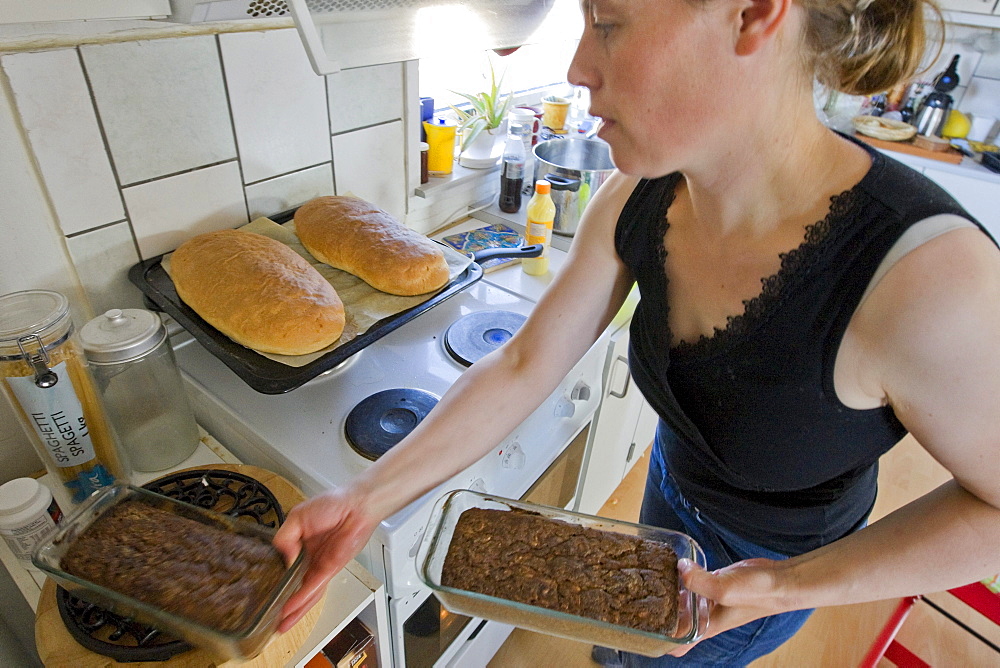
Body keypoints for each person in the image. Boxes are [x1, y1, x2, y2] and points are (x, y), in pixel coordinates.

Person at [273, 0, 1000, 665]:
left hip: (769, 570)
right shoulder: (639, 197)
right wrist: (366, 499)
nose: (576, 66)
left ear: (752, 14)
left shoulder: (928, 280)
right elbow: (526, 361)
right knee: (621, 648)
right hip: (669, 501)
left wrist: (783, 586)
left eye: (608, 21)